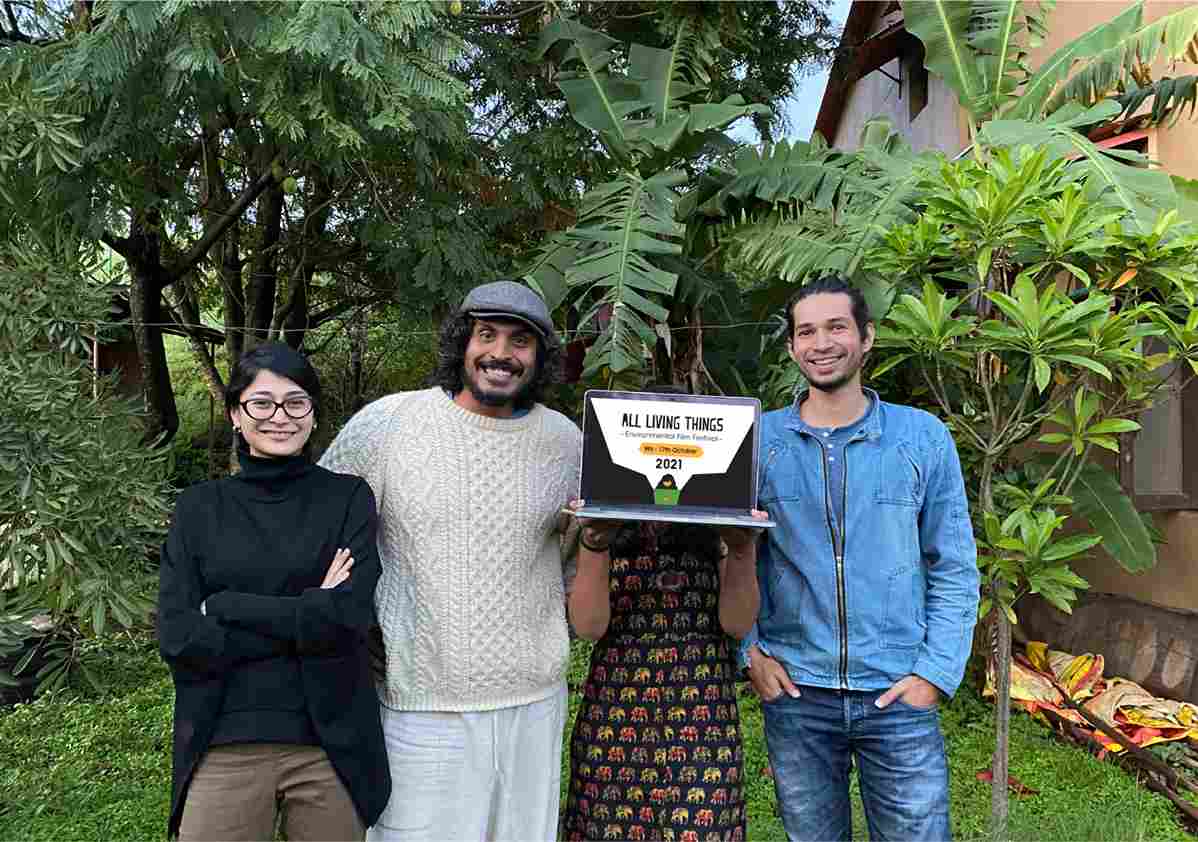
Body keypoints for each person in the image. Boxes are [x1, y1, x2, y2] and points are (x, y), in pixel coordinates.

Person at [319, 280, 581, 842]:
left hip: (535, 699)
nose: (501, 354)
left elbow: (576, 560)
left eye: (521, 342)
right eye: (486, 335)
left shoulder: (566, 442)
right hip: (422, 700)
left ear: (540, 359)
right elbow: (316, 525)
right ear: (462, 342)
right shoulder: (389, 423)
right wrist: (350, 623)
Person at [741, 276, 979, 842]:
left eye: (836, 327)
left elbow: (953, 563)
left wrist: (935, 672)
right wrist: (749, 652)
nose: (821, 343)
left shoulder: (921, 438)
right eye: (806, 332)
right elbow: (732, 555)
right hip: (798, 691)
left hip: (898, 689)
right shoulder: (759, 443)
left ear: (867, 337)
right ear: (793, 346)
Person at [158, 342, 389, 841]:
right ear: (236, 414)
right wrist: (311, 608)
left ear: (312, 412)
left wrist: (224, 606)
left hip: (329, 744)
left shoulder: (347, 498)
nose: (279, 416)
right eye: (261, 403)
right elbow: (180, 639)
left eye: (296, 401)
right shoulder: (199, 508)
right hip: (223, 737)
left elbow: (347, 620)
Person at [561, 482, 766, 842]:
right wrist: (595, 541)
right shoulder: (605, 491)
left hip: (703, 722)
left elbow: (737, 623)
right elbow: (589, 626)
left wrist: (740, 547)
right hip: (615, 716)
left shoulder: (718, 497)